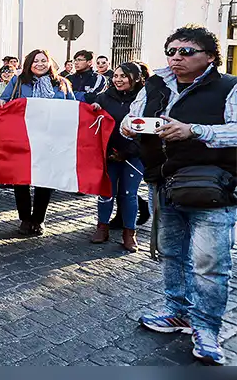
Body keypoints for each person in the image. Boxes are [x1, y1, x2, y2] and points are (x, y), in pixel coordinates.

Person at [127, 25, 237, 366]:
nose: (176, 58)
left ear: (210, 56)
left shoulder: (229, 87)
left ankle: (206, 328)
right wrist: (129, 126)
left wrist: (195, 131)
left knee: (209, 263)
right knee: (172, 253)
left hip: (212, 187)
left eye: (186, 51)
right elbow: (133, 116)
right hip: (163, 182)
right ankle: (177, 312)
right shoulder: (156, 84)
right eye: (171, 51)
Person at [0, 49, 75, 236]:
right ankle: (25, 218)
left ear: (50, 62)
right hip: (23, 137)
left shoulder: (62, 83)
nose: (40, 64)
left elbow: (73, 107)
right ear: (29, 63)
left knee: (45, 179)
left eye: (44, 60)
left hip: (51, 139)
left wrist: (92, 108)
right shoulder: (19, 81)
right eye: (35, 61)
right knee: (20, 179)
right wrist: (0, 102)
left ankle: (38, 219)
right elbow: (5, 99)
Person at [90, 62, 145, 252]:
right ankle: (102, 227)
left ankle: (129, 233)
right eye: (116, 76)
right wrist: (93, 108)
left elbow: (147, 130)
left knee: (129, 194)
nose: (118, 80)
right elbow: (94, 122)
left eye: (123, 76)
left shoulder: (144, 99)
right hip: (108, 154)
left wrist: (128, 152)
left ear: (136, 78)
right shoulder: (104, 97)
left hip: (134, 155)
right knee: (106, 192)